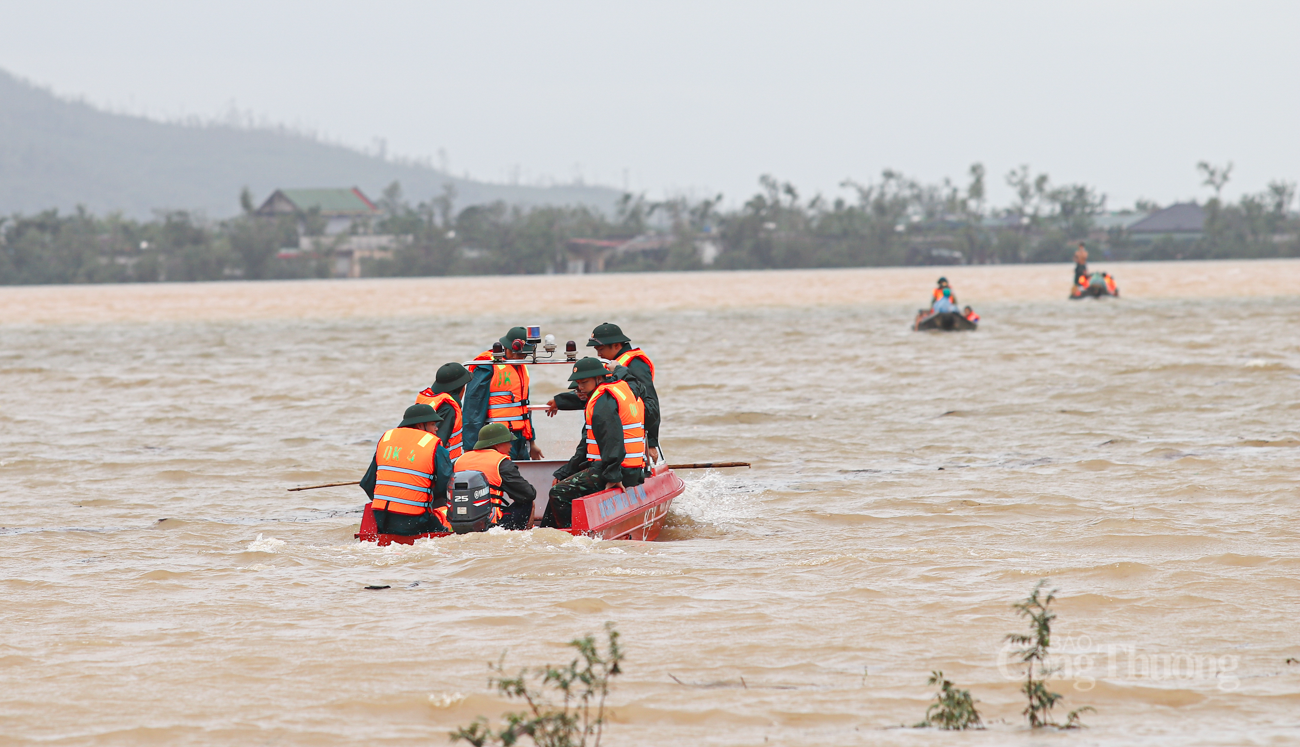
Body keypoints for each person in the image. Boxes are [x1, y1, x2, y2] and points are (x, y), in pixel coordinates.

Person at [546, 358, 646, 529]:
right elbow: (635, 382)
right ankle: (547, 529)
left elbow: (612, 439)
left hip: (617, 469)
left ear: (599, 378)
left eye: (584, 382)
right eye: (578, 383)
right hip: (630, 468)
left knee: (558, 492)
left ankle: (571, 535)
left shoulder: (603, 401)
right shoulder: (623, 387)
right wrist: (619, 369)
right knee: (563, 484)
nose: (580, 387)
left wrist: (613, 477)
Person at [547, 322, 661, 461]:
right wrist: (560, 401)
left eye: (600, 349)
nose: (598, 354)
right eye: (596, 349)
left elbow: (650, 403)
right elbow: (599, 394)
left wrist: (651, 442)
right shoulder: (614, 364)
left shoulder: (635, 364)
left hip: (627, 429)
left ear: (616, 346)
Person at [359, 403, 453, 536]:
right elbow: (447, 487)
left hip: (381, 518)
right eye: (433, 424)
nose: (437, 428)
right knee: (447, 528)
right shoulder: (434, 446)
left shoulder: (386, 440)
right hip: (415, 520)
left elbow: (368, 483)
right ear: (420, 425)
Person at [462, 327, 543, 462]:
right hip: (496, 437)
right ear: (508, 348)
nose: (522, 358)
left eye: (524, 355)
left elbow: (523, 408)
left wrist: (531, 442)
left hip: (519, 438)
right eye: (520, 354)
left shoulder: (520, 367)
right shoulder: (486, 366)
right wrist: (470, 449)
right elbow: (473, 408)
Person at [453, 423, 537, 530]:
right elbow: (528, 494)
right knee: (528, 503)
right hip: (491, 524)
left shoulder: (459, 460)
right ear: (497, 445)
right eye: (508, 442)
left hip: (458, 522)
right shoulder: (501, 463)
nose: (511, 446)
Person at [415, 362, 472, 459]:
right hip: (445, 466)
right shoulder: (448, 409)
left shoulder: (428, 401)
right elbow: (437, 445)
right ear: (459, 388)